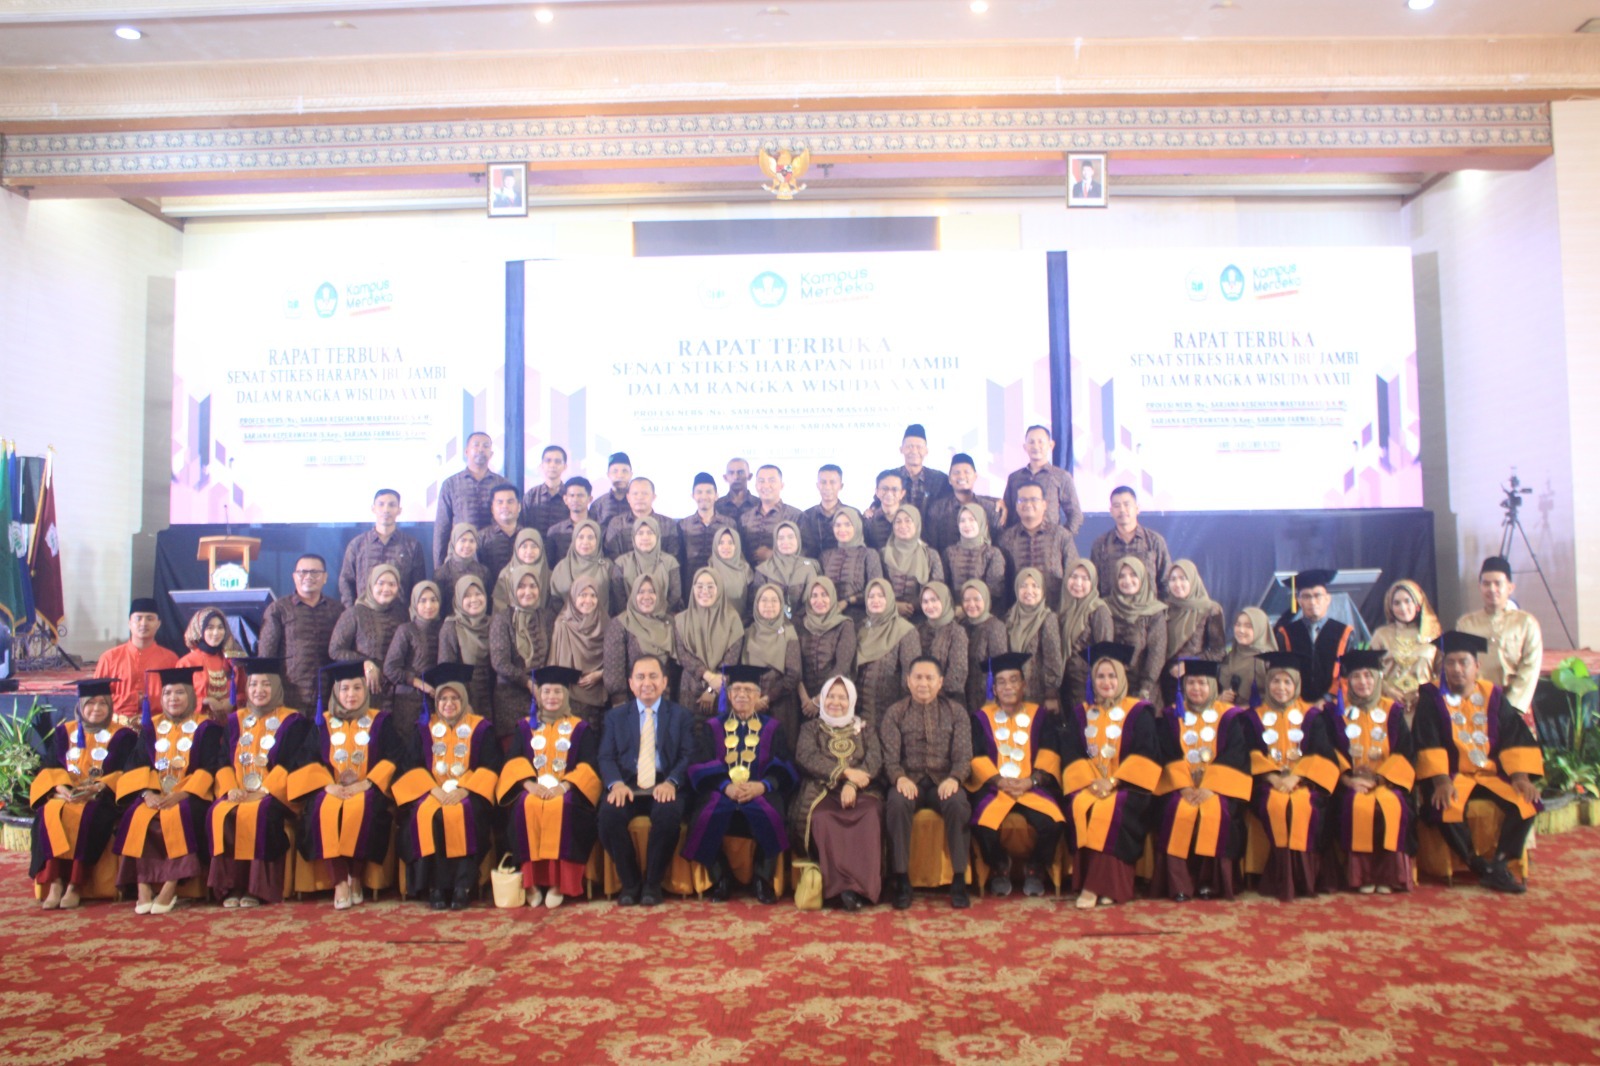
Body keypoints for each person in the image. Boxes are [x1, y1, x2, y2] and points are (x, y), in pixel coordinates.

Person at [1414, 630, 1543, 894]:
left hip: (1491, 775)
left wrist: (1520, 777)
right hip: (1451, 775)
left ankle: (1500, 862)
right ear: (1442, 667)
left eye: (1463, 663)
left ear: (1477, 667)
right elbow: (1427, 740)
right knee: (1444, 805)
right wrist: (1440, 781)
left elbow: (1513, 736)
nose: (1456, 669)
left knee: (1527, 801)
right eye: (1450, 663)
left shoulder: (1493, 695)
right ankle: (1478, 866)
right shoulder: (1431, 697)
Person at [289, 660, 409, 910]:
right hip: (330, 790)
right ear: (336, 692)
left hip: (367, 790)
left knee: (361, 808)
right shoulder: (323, 723)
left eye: (357, 688)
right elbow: (304, 758)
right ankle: (340, 881)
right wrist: (326, 785)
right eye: (344, 689)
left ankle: (355, 877)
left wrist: (368, 783)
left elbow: (396, 757)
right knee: (325, 808)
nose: (351, 694)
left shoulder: (380, 722)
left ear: (366, 691)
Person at [113, 668, 225, 914]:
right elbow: (136, 765)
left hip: (191, 797)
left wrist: (183, 793)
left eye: (179, 693)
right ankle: (142, 885)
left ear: (191, 697)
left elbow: (211, 766)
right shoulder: (151, 728)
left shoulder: (206, 728)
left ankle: (170, 886)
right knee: (137, 815)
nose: (173, 698)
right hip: (155, 794)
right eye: (167, 693)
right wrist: (146, 794)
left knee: (181, 814)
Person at [392, 662, 503, 911]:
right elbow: (409, 767)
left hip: (468, 792)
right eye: (443, 698)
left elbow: (492, 766)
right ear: (436, 702)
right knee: (429, 815)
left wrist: (466, 790)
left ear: (463, 699)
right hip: (431, 791)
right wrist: (433, 790)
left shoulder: (481, 728)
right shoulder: (424, 730)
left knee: (464, 813)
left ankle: (462, 886)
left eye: (454, 697)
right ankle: (435, 887)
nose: (449, 703)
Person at [684, 663, 797, 903]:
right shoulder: (712, 726)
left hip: (759, 790)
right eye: (735, 689)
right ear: (728, 693)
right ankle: (720, 877)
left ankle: (761, 879)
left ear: (758, 695)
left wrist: (762, 786)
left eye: (748, 690)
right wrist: (726, 786)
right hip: (722, 790)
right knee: (703, 815)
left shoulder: (773, 727)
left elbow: (784, 764)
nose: (742, 695)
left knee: (774, 813)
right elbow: (699, 763)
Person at [206, 656, 314, 907]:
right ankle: (232, 886)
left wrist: (264, 791)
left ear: (277, 687)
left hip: (275, 795)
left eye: (266, 684)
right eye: (253, 685)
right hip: (238, 790)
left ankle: (256, 887)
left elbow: (293, 763)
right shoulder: (235, 720)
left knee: (259, 813)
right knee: (219, 811)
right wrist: (231, 789)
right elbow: (222, 760)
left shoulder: (292, 720)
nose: (259, 690)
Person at [1059, 643, 1161, 909]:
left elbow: (1147, 753)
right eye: (1101, 676)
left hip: (1130, 787)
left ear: (1123, 678)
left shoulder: (1140, 711)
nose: (1106, 682)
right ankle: (1109, 887)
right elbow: (1071, 752)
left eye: (1112, 676)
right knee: (1081, 804)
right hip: (1090, 784)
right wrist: (1092, 782)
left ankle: (1093, 887)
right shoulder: (1082, 713)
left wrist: (1114, 782)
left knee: (1110, 809)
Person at [498, 664, 602, 909]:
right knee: (526, 804)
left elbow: (590, 766)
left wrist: (565, 787)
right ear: (538, 695)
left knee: (562, 807)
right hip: (533, 791)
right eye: (546, 692)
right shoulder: (525, 727)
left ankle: (559, 884)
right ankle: (531, 883)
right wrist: (528, 784)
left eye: (557, 692)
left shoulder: (580, 728)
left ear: (566, 695)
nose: (551, 697)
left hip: (568, 793)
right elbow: (512, 761)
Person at [29, 678, 138, 910]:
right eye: (90, 704)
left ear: (110, 706)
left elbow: (127, 771)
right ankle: (57, 882)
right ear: (80, 706)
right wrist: (61, 789)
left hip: (100, 797)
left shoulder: (123, 736)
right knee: (50, 811)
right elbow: (49, 767)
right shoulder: (63, 732)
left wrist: (99, 786)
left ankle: (75, 885)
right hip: (66, 795)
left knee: (89, 814)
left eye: (102, 704)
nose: (96, 709)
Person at [597, 654, 697, 906]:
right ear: (631, 683)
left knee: (668, 814)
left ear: (665, 682)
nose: (647, 683)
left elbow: (689, 755)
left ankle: (653, 883)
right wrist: (616, 784)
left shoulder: (681, 715)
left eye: (653, 676)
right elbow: (606, 756)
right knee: (608, 815)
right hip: (627, 785)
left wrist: (672, 782)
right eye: (640, 677)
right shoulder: (615, 717)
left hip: (664, 783)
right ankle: (630, 883)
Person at [1152, 659, 1255, 901]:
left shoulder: (1229, 717)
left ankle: (1211, 882)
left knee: (1216, 812)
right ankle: (1179, 883)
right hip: (1181, 788)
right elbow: (1166, 752)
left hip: (1217, 789)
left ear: (1212, 686)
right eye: (1190, 683)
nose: (1196, 688)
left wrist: (1211, 787)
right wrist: (1185, 787)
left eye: (1202, 683)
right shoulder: (1171, 716)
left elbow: (1236, 754)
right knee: (1177, 810)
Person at [967, 651, 1065, 897]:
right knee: (981, 823)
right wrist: (998, 780)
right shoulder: (981, 718)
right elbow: (976, 755)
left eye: (1014, 680)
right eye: (1001, 682)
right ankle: (1000, 865)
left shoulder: (1040, 715)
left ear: (1024, 684)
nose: (1008, 686)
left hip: (1032, 787)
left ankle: (1035, 867)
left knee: (1053, 823)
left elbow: (1050, 752)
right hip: (994, 788)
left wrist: (1030, 781)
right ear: (994, 688)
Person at [1247, 651, 1341, 902]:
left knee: (1301, 805)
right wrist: (1272, 777)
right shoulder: (1253, 716)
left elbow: (1323, 754)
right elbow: (1248, 753)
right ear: (1267, 683)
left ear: (1296, 684)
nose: (1281, 687)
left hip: (1303, 783)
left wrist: (1296, 777)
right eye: (1275, 681)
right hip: (1267, 783)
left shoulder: (1312, 716)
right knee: (1277, 804)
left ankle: (1303, 877)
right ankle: (1282, 877)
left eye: (1287, 682)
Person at [880, 656, 973, 909]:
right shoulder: (895, 713)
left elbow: (964, 756)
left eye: (929, 678)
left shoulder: (956, 712)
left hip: (944, 781)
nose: (923, 683)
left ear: (940, 682)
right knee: (896, 804)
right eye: (917, 677)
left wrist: (955, 778)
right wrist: (899, 777)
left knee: (958, 804)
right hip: (909, 780)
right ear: (908, 681)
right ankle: (901, 879)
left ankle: (959, 878)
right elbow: (889, 758)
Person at [1328, 649, 1417, 895]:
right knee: (1358, 806)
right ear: (1348, 681)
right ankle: (1362, 875)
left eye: (1368, 675)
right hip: (1352, 785)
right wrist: (1348, 779)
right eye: (1356, 676)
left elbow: (1405, 752)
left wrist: (1381, 778)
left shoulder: (1393, 711)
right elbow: (1330, 752)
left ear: (1378, 678)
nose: (1363, 682)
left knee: (1392, 804)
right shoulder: (1337, 713)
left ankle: (1390, 876)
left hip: (1388, 782)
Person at [790, 674, 883, 911]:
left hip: (862, 791)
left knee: (869, 814)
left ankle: (861, 888)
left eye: (842, 697)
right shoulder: (810, 728)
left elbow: (874, 759)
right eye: (830, 696)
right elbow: (806, 757)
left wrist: (852, 784)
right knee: (823, 818)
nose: (835, 702)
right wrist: (843, 774)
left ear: (851, 700)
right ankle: (837, 888)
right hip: (822, 790)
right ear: (821, 699)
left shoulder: (864, 728)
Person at [1455, 556, 1543, 720]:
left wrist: (1510, 706)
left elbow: (1530, 667)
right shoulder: (1466, 624)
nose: (1492, 589)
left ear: (1510, 587)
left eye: (1498, 583)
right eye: (1486, 584)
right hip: (1476, 704)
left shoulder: (1526, 623)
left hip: (1514, 707)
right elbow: (1459, 666)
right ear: (1479, 587)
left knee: (1516, 746)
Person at [259, 554, 345, 713]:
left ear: (325, 577)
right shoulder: (278, 609)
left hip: (330, 699)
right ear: (294, 576)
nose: (308, 577)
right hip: (289, 700)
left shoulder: (338, 610)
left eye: (315, 572)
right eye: (302, 572)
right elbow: (266, 656)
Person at [328, 562, 407, 710]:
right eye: (381, 583)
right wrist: (365, 662)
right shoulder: (355, 613)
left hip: (397, 695)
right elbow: (335, 650)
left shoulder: (402, 614)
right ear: (371, 585)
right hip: (363, 694)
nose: (386, 589)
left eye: (392, 584)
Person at [489, 565, 553, 743]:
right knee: (517, 765)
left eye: (533, 586)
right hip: (510, 702)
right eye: (521, 586)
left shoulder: (546, 617)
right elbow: (499, 662)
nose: (528, 591)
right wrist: (527, 683)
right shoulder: (502, 619)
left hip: (543, 700)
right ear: (512, 589)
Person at [93, 597, 179, 730]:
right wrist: (134, 699)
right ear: (129, 623)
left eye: (150, 618)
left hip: (159, 728)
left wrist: (146, 701)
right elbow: (97, 697)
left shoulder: (171, 659)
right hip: (116, 728)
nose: (144, 623)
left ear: (158, 624)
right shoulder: (109, 658)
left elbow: (178, 697)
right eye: (138, 618)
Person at [1273, 569, 1354, 703]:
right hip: (1296, 707)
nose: (1312, 602)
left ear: (1328, 599)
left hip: (1332, 706)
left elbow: (1348, 673)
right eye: (1306, 596)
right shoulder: (1286, 634)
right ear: (1299, 601)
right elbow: (1282, 672)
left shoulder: (1344, 633)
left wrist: (1327, 699)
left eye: (1318, 595)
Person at [338, 488, 426, 607]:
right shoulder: (358, 545)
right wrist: (352, 612)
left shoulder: (412, 545)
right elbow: (346, 581)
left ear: (399, 510)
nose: (386, 510)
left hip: (399, 617)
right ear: (373, 508)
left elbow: (418, 585)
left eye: (392, 505)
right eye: (381, 504)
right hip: (364, 615)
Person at [998, 480, 1078, 609]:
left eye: (1034, 499)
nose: (1028, 504)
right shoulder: (1005, 539)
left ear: (1044, 504)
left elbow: (1073, 574)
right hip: (1018, 617)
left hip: (1055, 613)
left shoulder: (1061, 536)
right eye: (1022, 500)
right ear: (1016, 506)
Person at [674, 568, 745, 712]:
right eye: (699, 586)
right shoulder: (681, 620)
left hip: (723, 690)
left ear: (719, 589)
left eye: (710, 586)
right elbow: (683, 655)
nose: (704, 591)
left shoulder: (733, 619)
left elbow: (731, 660)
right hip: (689, 688)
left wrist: (712, 690)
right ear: (693, 589)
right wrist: (708, 677)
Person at [743, 584, 803, 751]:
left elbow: (794, 673)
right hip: (750, 702)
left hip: (781, 702)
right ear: (756, 604)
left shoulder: (789, 632)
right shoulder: (748, 633)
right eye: (764, 600)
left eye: (774, 600)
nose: (769, 605)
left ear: (781, 605)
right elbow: (741, 670)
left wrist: (768, 698)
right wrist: (753, 699)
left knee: (779, 752)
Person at [432, 431, 503, 568]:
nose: (481, 449)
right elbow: (442, 528)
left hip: (493, 556)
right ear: (466, 451)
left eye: (486, 446)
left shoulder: (501, 484)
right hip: (460, 557)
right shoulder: (451, 484)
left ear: (491, 454)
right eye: (476, 445)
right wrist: (439, 568)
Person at [604, 574, 676, 708]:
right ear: (633, 595)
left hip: (666, 698)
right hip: (631, 702)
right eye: (641, 592)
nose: (647, 597)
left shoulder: (669, 622)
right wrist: (620, 703)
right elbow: (614, 669)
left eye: (652, 591)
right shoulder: (620, 624)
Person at [1368, 578, 1440, 711]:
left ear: (1417, 605)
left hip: (1425, 706)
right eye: (1396, 603)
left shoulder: (1433, 634)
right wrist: (1387, 690)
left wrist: (1426, 692)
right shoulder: (1381, 635)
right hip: (1389, 705)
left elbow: (1442, 673)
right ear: (1390, 607)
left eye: (1407, 601)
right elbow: (1369, 670)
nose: (1403, 608)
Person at [382, 580, 443, 735]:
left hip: (438, 701)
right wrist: (418, 683)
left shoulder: (444, 628)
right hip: (408, 701)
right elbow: (390, 668)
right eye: (423, 601)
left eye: (433, 600)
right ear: (415, 603)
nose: (429, 606)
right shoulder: (406, 630)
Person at [854, 578, 921, 720]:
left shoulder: (905, 631)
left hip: (888, 715)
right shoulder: (861, 628)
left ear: (890, 598)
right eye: (871, 596)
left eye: (881, 596)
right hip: (856, 714)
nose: (875, 600)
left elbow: (910, 679)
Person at [1088, 486, 1171, 599]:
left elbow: (1166, 582)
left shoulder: (1154, 541)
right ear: (1111, 511)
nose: (1122, 510)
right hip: (1111, 613)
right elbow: (1093, 586)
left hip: (1149, 612)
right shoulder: (1100, 544)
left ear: (1137, 508)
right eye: (1117, 506)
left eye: (1127, 504)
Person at [797, 576, 858, 729]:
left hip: (835, 700)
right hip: (802, 703)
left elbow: (842, 666)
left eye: (824, 595)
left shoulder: (845, 625)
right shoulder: (799, 624)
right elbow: (794, 665)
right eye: (814, 595)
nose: (819, 600)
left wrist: (818, 701)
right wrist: (805, 700)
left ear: (832, 597)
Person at [548, 573, 609, 721]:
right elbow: (554, 666)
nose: (588, 600)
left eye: (593, 595)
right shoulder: (562, 625)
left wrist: (601, 674)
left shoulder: (607, 623)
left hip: (602, 698)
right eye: (582, 595)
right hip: (571, 699)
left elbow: (617, 660)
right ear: (573, 597)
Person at [1106, 558, 1167, 703]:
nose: (1127, 580)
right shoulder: (1104, 607)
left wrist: (1146, 687)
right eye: (1121, 576)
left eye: (1133, 575)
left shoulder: (1154, 611)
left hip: (1142, 690)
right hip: (1109, 687)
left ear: (1142, 577)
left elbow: (1156, 653)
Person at [1162, 560, 1226, 696]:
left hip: (1198, 681)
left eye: (1183, 578)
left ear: (1193, 580)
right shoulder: (1164, 609)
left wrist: (1188, 666)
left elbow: (1218, 652)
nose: (1177, 584)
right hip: (1167, 681)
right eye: (1173, 579)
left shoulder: (1210, 609)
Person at [1003, 425, 1082, 535]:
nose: (1036, 446)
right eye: (1031, 442)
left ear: (1051, 445)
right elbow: (1007, 513)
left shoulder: (1062, 476)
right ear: (1025, 447)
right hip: (1018, 544)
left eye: (1041, 442)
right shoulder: (1014, 478)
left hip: (1049, 545)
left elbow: (1075, 515)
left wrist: (1062, 540)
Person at [1005, 568, 1065, 712]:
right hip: (1011, 693)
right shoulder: (1010, 617)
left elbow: (1053, 658)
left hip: (1037, 695)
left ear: (1043, 590)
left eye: (1035, 586)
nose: (1029, 591)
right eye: (1023, 586)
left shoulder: (1047, 619)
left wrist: (1051, 694)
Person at [438, 574, 495, 719]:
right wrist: (463, 705)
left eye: (478, 594)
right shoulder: (451, 627)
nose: (474, 600)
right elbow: (447, 673)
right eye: (467, 596)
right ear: (458, 599)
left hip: (495, 701)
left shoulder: (494, 623)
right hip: (467, 701)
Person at [1059, 560, 1114, 708]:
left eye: (1085, 578)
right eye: (1074, 576)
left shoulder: (1099, 610)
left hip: (1089, 688)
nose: (1078, 583)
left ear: (1093, 582)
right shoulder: (1064, 609)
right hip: (1067, 685)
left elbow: (1105, 653)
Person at [176, 607, 245, 723]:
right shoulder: (186, 663)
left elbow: (243, 692)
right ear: (199, 630)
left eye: (220, 627)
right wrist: (204, 701)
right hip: (197, 726)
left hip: (229, 726)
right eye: (210, 628)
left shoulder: (234, 660)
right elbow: (176, 698)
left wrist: (232, 701)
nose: (216, 633)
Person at [925, 454, 1003, 553]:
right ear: (949, 479)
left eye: (967, 472)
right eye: (956, 472)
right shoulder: (937, 509)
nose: (961, 476)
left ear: (975, 476)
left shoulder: (990, 509)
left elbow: (998, 547)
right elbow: (932, 548)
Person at [879, 505, 944, 619]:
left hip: (924, 615)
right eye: (898, 522)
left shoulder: (930, 555)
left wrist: (913, 606)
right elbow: (877, 587)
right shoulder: (883, 554)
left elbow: (938, 588)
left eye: (908, 521)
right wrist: (894, 606)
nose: (903, 525)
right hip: (888, 615)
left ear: (917, 524)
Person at [940, 500, 1005, 611]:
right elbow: (943, 587)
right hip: (953, 612)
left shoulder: (992, 553)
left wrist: (968, 609)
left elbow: (994, 592)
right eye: (962, 520)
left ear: (981, 522)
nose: (967, 525)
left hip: (983, 613)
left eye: (972, 520)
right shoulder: (949, 552)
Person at [611, 515, 682, 615]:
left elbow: (675, 595)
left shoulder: (670, 562)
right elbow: (619, 598)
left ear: (657, 536)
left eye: (650, 533)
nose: (645, 537)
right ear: (633, 537)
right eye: (640, 533)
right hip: (630, 619)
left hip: (663, 618)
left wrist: (659, 614)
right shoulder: (621, 563)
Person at [603, 477, 684, 562]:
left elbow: (674, 557)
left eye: (645, 493)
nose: (640, 497)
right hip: (624, 574)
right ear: (628, 497)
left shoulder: (669, 524)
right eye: (635, 493)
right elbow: (611, 556)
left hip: (659, 574)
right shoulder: (616, 523)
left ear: (653, 497)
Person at [957, 579, 1008, 712]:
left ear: (986, 599)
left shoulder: (995, 627)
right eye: (966, 600)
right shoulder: (962, 624)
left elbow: (1000, 667)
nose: (971, 604)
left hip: (986, 698)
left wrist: (994, 698)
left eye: (977, 599)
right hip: (963, 696)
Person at [820, 507, 882, 617]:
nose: (842, 529)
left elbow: (876, 590)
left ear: (857, 526)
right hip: (829, 615)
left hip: (861, 615)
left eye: (848, 525)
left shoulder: (869, 554)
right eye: (837, 525)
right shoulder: (825, 556)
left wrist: (848, 601)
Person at [739, 464, 805, 565]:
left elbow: (806, 552)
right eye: (761, 481)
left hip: (784, 576)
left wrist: (773, 555)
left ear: (782, 485)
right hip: (749, 577)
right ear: (756, 486)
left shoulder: (796, 516)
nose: (766, 485)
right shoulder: (745, 518)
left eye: (772, 480)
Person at [879, 423, 950, 513]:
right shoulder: (890, 477)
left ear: (926, 451)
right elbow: (878, 504)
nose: (914, 451)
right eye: (909, 446)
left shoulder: (940, 479)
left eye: (919, 447)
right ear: (901, 449)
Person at [916, 582, 969, 703]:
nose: (929, 605)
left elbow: (958, 672)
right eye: (925, 601)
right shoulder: (918, 630)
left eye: (934, 600)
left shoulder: (957, 632)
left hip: (948, 701)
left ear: (945, 600)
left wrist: (932, 693)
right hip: (918, 697)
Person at [753, 520, 819, 617]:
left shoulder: (808, 567)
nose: (786, 542)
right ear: (775, 542)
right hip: (771, 624)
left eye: (791, 537)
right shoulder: (763, 569)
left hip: (803, 625)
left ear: (798, 540)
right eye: (780, 538)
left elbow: (811, 602)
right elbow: (758, 603)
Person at [548, 518, 611, 612]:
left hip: (601, 623)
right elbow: (554, 603)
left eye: (590, 537)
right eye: (580, 537)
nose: (585, 542)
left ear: (598, 540)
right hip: (566, 623)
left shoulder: (607, 567)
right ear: (574, 540)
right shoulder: (561, 568)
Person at [1218, 607, 1275, 708]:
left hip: (1256, 719)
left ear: (1260, 628)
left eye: (1248, 626)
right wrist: (1220, 698)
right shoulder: (1228, 656)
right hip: (1226, 715)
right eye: (1238, 624)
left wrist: (1249, 709)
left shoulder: (1269, 660)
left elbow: (1277, 698)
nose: (1241, 630)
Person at [476, 483, 527, 591]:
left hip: (524, 597)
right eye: (500, 502)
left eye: (510, 502)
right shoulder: (480, 538)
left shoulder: (528, 537)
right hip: (490, 599)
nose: (505, 506)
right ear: (492, 508)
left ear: (519, 507)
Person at [678, 472, 732, 574]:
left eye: (708, 492)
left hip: (721, 580)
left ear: (716, 496)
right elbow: (680, 559)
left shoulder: (728, 524)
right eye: (699, 492)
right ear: (693, 496)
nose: (704, 496)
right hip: (691, 582)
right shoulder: (683, 525)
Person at [491, 528, 551, 615]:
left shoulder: (549, 575)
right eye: (524, 546)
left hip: (543, 624)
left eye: (534, 546)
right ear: (516, 549)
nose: (529, 551)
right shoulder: (506, 575)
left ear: (541, 548)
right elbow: (499, 606)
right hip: (511, 624)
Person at [431, 524, 488, 613]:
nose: (467, 545)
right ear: (454, 542)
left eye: (472, 541)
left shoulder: (483, 572)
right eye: (463, 540)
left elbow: (488, 605)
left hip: (480, 624)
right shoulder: (442, 573)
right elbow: (439, 608)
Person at [799, 464, 848, 557]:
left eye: (832, 482)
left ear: (841, 486)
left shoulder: (852, 514)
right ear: (817, 485)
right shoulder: (806, 515)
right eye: (823, 482)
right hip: (813, 567)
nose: (827, 487)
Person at [522, 444, 571, 536]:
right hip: (535, 548)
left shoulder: (570, 495)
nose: (552, 465)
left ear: (565, 466)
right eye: (548, 461)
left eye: (557, 461)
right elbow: (523, 525)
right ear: (541, 466)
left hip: (564, 548)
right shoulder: (531, 495)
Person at [544, 477, 593, 566]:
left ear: (590, 499)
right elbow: (550, 566)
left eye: (580, 495)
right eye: (572, 495)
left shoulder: (599, 530)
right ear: (565, 499)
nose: (575, 499)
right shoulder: (555, 531)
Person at [708, 525, 754, 619]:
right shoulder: (709, 568)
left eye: (730, 543)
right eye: (721, 543)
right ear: (716, 545)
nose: (726, 547)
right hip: (715, 623)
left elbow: (752, 600)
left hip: (742, 623)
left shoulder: (745, 568)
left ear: (737, 545)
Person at [588, 452, 635, 532]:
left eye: (624, 471)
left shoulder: (637, 502)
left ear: (631, 474)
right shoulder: (598, 505)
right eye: (615, 471)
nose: (620, 475)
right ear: (608, 474)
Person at [862, 471, 906, 550]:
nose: (889, 493)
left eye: (894, 489)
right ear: (877, 492)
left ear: (902, 493)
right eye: (885, 489)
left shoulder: (911, 519)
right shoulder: (868, 522)